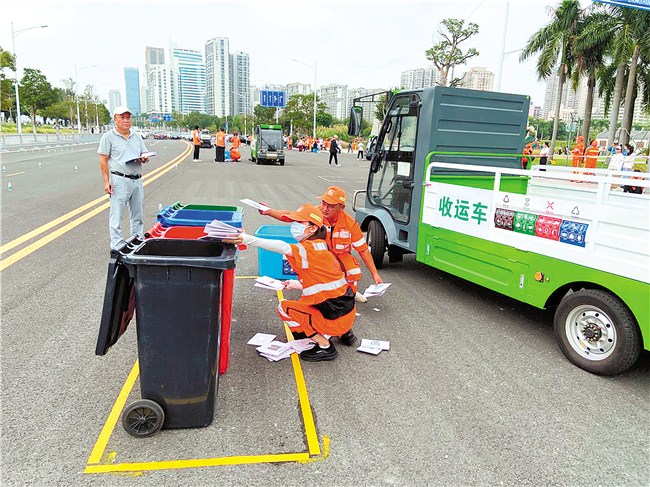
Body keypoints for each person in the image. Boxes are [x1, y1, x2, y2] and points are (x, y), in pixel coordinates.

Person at [224, 204, 356, 361]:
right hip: (347, 314)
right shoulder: (322, 248)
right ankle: (345, 334)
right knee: (308, 300)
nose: (294, 225)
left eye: (300, 223)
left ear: (313, 229)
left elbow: (281, 247)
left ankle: (324, 345)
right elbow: (326, 283)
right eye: (294, 221)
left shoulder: (308, 249)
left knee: (284, 307)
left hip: (335, 318)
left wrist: (248, 239)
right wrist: (298, 285)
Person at [260, 185, 383, 304]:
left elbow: (363, 250)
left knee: (353, 270)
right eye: (323, 203)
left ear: (341, 207)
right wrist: (270, 211)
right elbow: (290, 216)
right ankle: (312, 292)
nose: (324, 209)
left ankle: (349, 294)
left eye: (330, 206)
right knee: (310, 273)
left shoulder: (350, 225)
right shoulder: (314, 213)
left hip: (337, 257)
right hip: (316, 255)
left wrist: (375, 274)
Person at [98, 106, 150, 250]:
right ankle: (117, 244)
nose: (126, 120)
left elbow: (144, 152)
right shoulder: (108, 137)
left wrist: (145, 158)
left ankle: (137, 239)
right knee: (117, 214)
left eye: (128, 117)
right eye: (122, 117)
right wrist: (106, 181)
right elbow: (103, 159)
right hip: (119, 180)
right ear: (115, 119)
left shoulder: (136, 136)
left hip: (137, 179)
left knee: (137, 213)